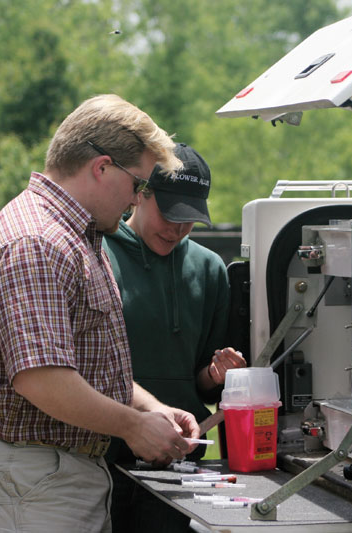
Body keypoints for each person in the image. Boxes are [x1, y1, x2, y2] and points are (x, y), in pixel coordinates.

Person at [0, 94, 201, 533]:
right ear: (102, 168)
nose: (137, 197)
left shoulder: (75, 235)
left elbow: (88, 366)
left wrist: (152, 410)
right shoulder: (38, 241)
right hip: (36, 477)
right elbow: (42, 378)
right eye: (138, 184)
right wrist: (132, 426)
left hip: (49, 474)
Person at [103, 143, 247, 532]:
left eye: (190, 219)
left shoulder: (209, 268)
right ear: (139, 194)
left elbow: (197, 381)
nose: (178, 229)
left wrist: (215, 374)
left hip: (180, 461)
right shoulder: (98, 254)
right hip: (103, 455)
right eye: (169, 215)